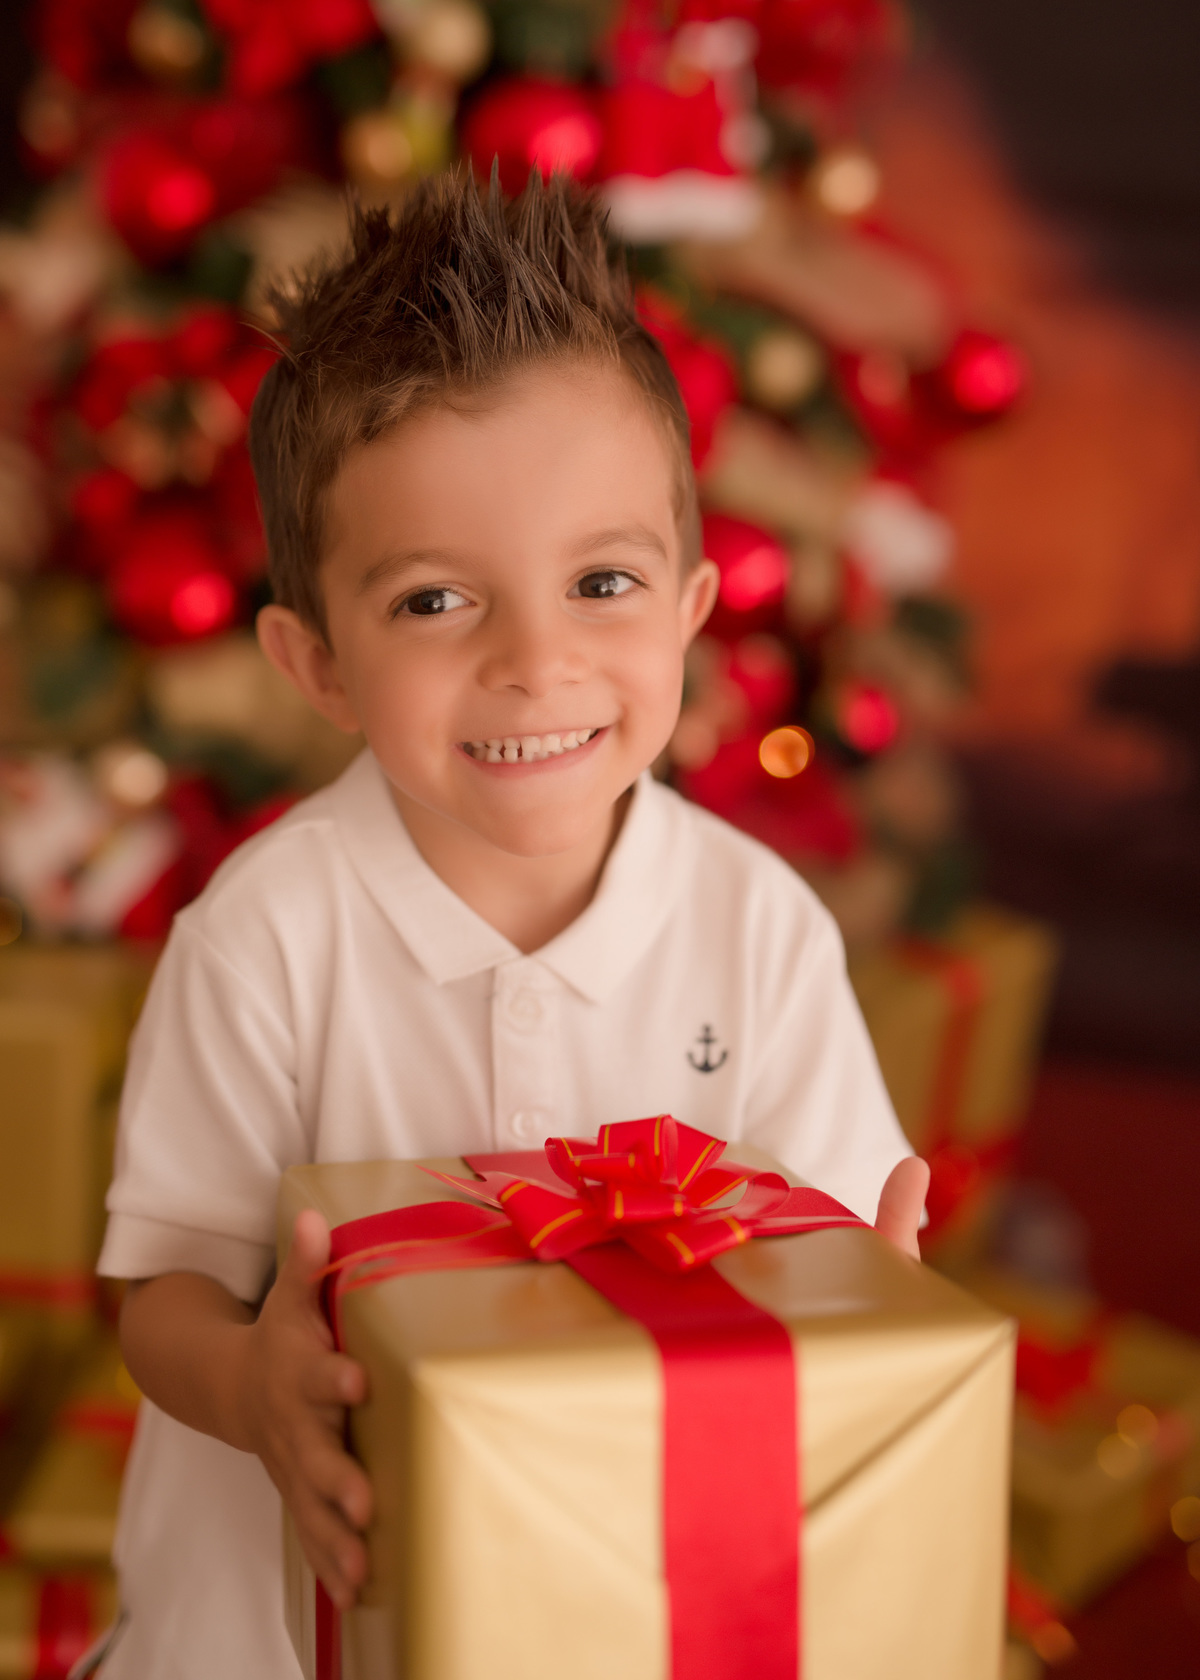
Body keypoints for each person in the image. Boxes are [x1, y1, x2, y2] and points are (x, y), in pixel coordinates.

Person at [97, 171, 930, 1679]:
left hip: (617, 1602)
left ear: (688, 610)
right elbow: (161, 1291)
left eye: (600, 583)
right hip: (283, 1630)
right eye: (434, 603)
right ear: (318, 664)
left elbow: (835, 1257)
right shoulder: (268, 934)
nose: (538, 664)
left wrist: (870, 1293)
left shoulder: (759, 930)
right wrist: (253, 1386)